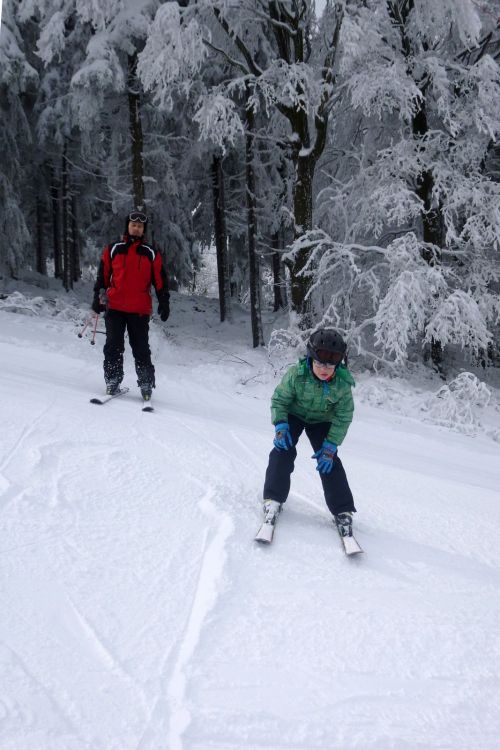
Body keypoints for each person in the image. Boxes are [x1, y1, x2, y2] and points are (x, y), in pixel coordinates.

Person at [262, 328, 356, 536]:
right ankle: (273, 498)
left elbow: (343, 415)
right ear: (311, 358)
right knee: (282, 451)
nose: (324, 369)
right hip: (294, 416)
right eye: (320, 363)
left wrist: (331, 444)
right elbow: (280, 399)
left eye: (330, 365)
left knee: (329, 461)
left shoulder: (342, 384)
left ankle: (342, 510)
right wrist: (280, 424)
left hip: (322, 420)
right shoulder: (297, 374)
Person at [91, 209, 170, 401]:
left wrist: (164, 301)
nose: (136, 228)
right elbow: (103, 276)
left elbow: (160, 280)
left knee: (141, 348)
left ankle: (145, 383)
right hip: (115, 306)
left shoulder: (151, 253)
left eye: (140, 226)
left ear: (144, 230)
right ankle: (112, 380)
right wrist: (97, 297)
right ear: (128, 226)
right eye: (133, 225)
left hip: (139, 310)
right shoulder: (113, 249)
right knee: (113, 346)